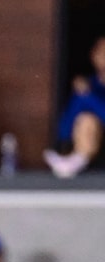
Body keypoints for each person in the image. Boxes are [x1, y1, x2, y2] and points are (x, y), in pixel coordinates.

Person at [44, 35, 105, 178]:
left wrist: (88, 96)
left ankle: (76, 160)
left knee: (89, 121)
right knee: (85, 120)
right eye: (100, 51)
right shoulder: (88, 83)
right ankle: (73, 158)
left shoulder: (86, 90)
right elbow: (69, 118)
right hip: (84, 140)